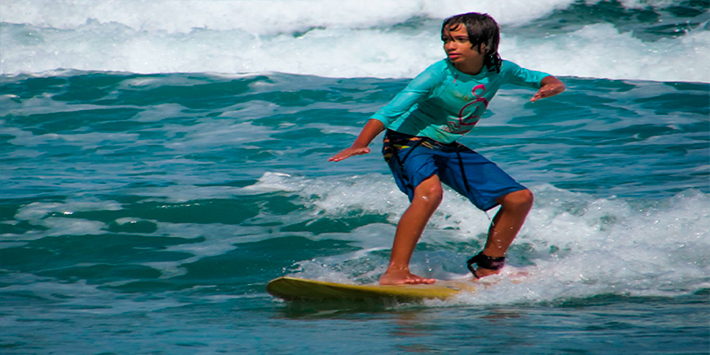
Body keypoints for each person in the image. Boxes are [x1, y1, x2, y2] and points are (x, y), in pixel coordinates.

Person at [329, 12, 565, 285]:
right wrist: (360, 143)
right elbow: (390, 110)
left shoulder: (500, 69)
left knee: (519, 198)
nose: (450, 46)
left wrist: (553, 86)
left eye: (460, 40)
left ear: (485, 44)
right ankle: (396, 271)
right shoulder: (437, 74)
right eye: (446, 40)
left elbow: (541, 78)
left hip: (445, 145)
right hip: (407, 140)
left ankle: (488, 264)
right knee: (429, 194)